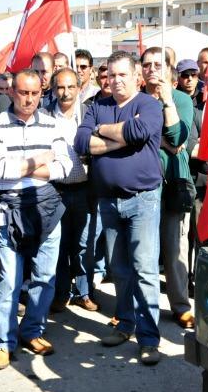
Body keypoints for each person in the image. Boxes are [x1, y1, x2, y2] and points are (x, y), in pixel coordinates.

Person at [74, 51, 164, 365]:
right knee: (120, 269)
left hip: (143, 200)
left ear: (137, 75)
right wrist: (117, 135)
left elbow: (140, 132)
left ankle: (149, 339)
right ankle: (125, 324)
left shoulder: (150, 105)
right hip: (108, 201)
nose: (116, 80)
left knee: (145, 269)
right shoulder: (97, 106)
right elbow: (81, 143)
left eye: (122, 74)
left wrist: (104, 130)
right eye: (111, 75)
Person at [0, 69, 71, 370]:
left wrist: (25, 166)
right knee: (9, 282)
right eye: (23, 92)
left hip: (47, 207)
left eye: (35, 93)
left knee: (45, 278)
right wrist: (42, 159)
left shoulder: (52, 124)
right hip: (11, 210)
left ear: (41, 92)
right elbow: (1, 171)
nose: (29, 99)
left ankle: (33, 330)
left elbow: (65, 168)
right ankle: (3, 343)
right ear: (12, 92)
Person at [141, 47, 194, 330]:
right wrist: (161, 141)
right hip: (142, 182)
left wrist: (165, 102)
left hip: (173, 183)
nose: (152, 70)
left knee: (174, 248)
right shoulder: (135, 100)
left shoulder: (181, 99)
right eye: (146, 64)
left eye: (158, 65)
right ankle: (141, 308)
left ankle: (180, 305)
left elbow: (178, 138)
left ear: (168, 70)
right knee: (144, 250)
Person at [46, 68, 97, 313]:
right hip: (55, 190)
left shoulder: (89, 114)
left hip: (85, 189)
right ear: (53, 89)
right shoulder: (44, 116)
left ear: (79, 88)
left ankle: (84, 291)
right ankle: (61, 293)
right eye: (60, 88)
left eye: (70, 87)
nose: (65, 93)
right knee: (59, 245)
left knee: (84, 244)